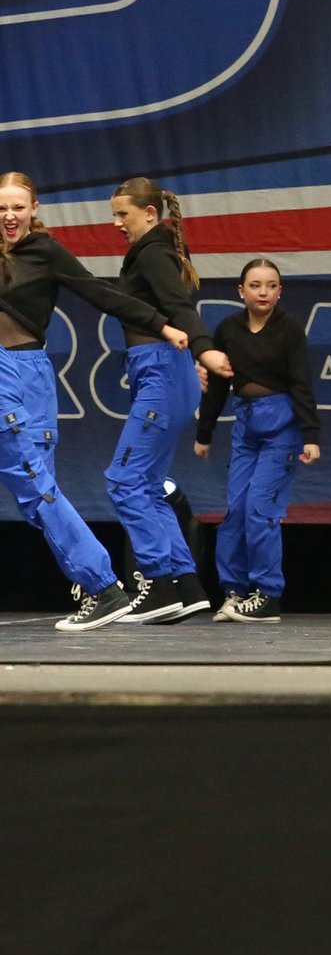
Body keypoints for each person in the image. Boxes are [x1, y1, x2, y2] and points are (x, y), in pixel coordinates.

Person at [0, 171, 190, 630]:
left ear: (34, 210)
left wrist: (161, 324)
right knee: (34, 496)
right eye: (1, 209)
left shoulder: (43, 251)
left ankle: (102, 586)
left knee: (35, 487)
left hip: (18, 373)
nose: (9, 216)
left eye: (18, 208)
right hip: (18, 376)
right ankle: (101, 583)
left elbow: (100, 293)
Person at [106, 176, 233, 623]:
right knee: (145, 484)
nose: (117, 223)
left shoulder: (154, 251)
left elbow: (180, 306)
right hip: (160, 372)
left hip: (162, 370)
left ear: (150, 214)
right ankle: (185, 584)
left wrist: (205, 348)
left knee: (123, 481)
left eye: (124, 214)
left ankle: (158, 584)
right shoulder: (153, 250)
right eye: (115, 215)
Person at [194, 259, 320, 623]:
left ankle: (267, 594)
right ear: (241, 291)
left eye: (270, 285)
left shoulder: (289, 329)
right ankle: (235, 592)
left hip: (281, 422)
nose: (263, 292)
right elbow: (218, 385)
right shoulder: (229, 329)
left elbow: (301, 383)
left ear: (280, 291)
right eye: (255, 285)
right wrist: (204, 433)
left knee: (260, 509)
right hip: (246, 423)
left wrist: (310, 436)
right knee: (235, 510)